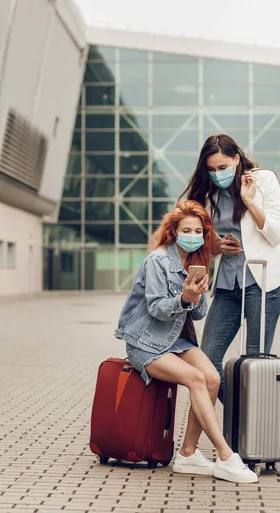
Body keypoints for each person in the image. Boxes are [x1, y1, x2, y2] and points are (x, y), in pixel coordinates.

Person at [115, 200, 258, 484]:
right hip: (146, 343)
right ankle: (227, 456)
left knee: (212, 378)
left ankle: (188, 452)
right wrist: (184, 298)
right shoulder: (158, 260)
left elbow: (200, 313)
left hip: (175, 341)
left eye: (198, 230)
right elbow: (156, 308)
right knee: (196, 379)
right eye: (187, 230)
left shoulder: (199, 261)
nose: (193, 235)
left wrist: (198, 294)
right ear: (174, 231)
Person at [181, 135, 280, 402]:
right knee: (207, 360)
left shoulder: (263, 180)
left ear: (237, 159)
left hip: (263, 282)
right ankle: (240, 418)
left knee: (255, 362)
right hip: (228, 283)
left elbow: (276, 235)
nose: (217, 174)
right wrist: (218, 246)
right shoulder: (209, 193)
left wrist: (250, 201)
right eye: (211, 169)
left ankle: (248, 431)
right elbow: (200, 238)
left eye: (222, 167)